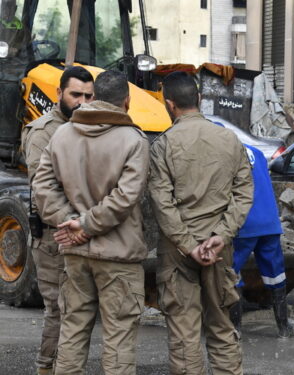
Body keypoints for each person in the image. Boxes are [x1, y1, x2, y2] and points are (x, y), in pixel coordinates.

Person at [32, 70, 149, 374]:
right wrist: (85, 225)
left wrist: (72, 223)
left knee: (71, 334)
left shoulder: (62, 134)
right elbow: (126, 198)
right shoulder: (134, 140)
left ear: (94, 97)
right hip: (119, 257)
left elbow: (42, 188)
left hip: (74, 255)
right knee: (119, 341)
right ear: (126, 101)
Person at [148, 71, 253, 375]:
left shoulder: (163, 145)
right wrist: (222, 234)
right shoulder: (229, 139)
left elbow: (161, 202)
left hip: (178, 252)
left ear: (169, 104)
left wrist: (187, 245)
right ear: (199, 98)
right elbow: (244, 192)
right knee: (221, 326)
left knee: (184, 335)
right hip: (220, 249)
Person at [20, 66, 93, 375]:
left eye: (89, 96)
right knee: (59, 310)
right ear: (59, 93)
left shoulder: (87, 126)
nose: (83, 102)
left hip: (82, 232)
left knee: (78, 311)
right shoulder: (43, 131)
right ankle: (46, 368)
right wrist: (74, 225)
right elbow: (43, 189)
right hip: (54, 237)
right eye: (76, 94)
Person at [229, 144, 294, 338]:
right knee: (275, 274)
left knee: (230, 273)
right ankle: (283, 327)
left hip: (244, 222)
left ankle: (235, 329)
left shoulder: (221, 150)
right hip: (269, 221)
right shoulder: (255, 151)